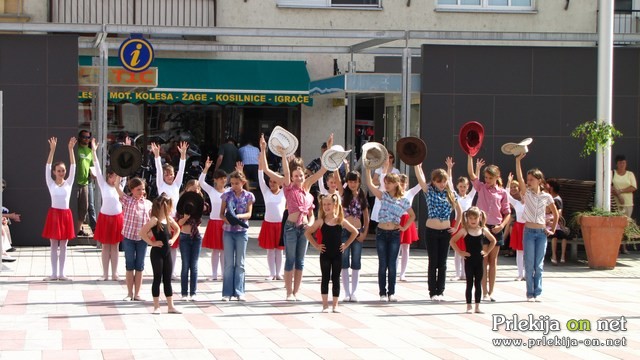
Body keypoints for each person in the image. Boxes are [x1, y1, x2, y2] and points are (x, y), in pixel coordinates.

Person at [262, 133, 328, 301]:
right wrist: (278, 153)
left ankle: (296, 292)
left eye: (301, 175)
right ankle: (289, 292)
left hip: (304, 228)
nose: (299, 178)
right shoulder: (288, 186)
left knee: (301, 261)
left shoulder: (307, 187)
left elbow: (322, 171)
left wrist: (327, 152)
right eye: (296, 175)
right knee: (290, 260)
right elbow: (275, 170)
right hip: (291, 227)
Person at [364, 164, 415, 302]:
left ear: (396, 184)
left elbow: (412, 215)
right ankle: (382, 293)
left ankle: (391, 292)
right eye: (385, 183)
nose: (386, 185)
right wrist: (369, 169)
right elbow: (370, 184)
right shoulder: (383, 196)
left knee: (392, 264)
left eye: (389, 183)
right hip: (381, 232)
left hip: (394, 233)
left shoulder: (403, 200)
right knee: (382, 264)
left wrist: (404, 227)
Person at [515, 153, 558, 302]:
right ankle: (530, 293)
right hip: (528, 231)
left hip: (541, 232)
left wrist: (551, 228)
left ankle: (537, 292)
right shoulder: (527, 193)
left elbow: (555, 213)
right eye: (528, 179)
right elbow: (519, 178)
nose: (529, 182)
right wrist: (518, 161)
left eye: (532, 179)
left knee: (538, 265)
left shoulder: (546, 196)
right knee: (529, 263)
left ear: (539, 181)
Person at [305, 193, 358, 313]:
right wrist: (316, 245)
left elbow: (354, 232)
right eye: (324, 205)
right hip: (325, 254)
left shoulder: (340, 221)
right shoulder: (321, 221)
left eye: (329, 204)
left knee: (335, 278)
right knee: (325, 277)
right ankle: (325, 305)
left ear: (335, 205)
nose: (327, 207)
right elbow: (308, 233)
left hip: (337, 254)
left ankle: (335, 305)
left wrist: (346, 244)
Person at [467, 156, 511, 302]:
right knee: (483, 259)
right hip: (483, 226)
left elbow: (507, 212)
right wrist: (470, 156)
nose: (487, 180)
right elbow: (472, 175)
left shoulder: (502, 192)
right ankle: (483, 292)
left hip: (496, 228)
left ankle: (491, 292)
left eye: (490, 178)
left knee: (493, 260)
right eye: (486, 177)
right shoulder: (481, 188)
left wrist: (502, 226)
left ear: (497, 177)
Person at [415, 163, 462, 301]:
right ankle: (432, 292)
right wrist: (417, 166)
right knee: (433, 261)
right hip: (431, 230)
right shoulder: (429, 191)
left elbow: (459, 212)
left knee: (443, 263)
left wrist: (456, 227)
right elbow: (420, 178)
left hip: (445, 231)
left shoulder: (451, 193)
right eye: (438, 181)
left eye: (444, 181)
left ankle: (441, 291)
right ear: (434, 181)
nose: (442, 184)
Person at [139, 194, 181, 314]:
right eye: (168, 205)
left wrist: (173, 239)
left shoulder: (169, 218)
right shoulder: (154, 220)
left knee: (167, 279)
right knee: (157, 278)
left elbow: (178, 229)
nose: (170, 208)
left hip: (167, 252)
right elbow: (142, 232)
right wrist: (152, 243)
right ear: (163, 205)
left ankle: (170, 306)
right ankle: (156, 306)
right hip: (157, 252)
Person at [450, 206, 497, 314]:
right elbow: (452, 241)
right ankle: (468, 306)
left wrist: (487, 252)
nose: (473, 221)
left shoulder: (483, 230)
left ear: (479, 218)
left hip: (479, 260)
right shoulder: (464, 230)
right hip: (469, 260)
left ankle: (477, 306)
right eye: (470, 218)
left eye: (475, 219)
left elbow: (493, 241)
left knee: (478, 283)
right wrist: (460, 252)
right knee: (469, 283)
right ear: (467, 218)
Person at [152, 141, 188, 280]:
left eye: (171, 174)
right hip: (162, 219)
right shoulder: (160, 184)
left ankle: (171, 271)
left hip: (174, 219)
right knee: (162, 246)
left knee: (173, 247)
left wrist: (183, 155)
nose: (170, 176)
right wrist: (156, 156)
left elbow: (182, 170)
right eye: (167, 174)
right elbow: (158, 170)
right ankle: (161, 271)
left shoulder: (176, 184)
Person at [42, 137, 77, 281]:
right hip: (54, 214)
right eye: (59, 171)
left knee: (64, 244)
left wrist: (70, 149)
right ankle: (53, 273)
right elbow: (47, 166)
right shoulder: (50, 182)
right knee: (53, 244)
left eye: (63, 170)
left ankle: (62, 273)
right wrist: (52, 150)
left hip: (65, 215)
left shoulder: (69, 182)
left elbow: (74, 166)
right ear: (54, 172)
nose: (61, 173)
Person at [90, 139, 124, 281]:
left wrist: (125, 150)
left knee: (115, 247)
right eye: (111, 176)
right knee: (105, 247)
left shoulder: (121, 186)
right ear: (108, 177)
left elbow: (125, 168)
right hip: (105, 217)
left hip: (117, 218)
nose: (113, 178)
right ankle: (105, 273)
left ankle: (114, 273)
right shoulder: (103, 185)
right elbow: (97, 168)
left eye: (115, 176)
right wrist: (93, 151)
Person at [220, 171, 255, 301]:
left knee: (240, 263)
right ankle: (227, 293)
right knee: (229, 263)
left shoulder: (248, 196)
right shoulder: (226, 195)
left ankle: (239, 291)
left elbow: (249, 214)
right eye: (232, 183)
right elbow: (221, 214)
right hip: (228, 231)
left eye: (237, 183)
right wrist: (228, 219)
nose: (234, 186)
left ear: (243, 183)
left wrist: (238, 217)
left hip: (242, 231)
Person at [117, 177, 153, 301]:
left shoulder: (148, 204)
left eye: (143, 189)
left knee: (140, 266)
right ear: (132, 190)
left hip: (142, 239)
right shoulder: (127, 200)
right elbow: (117, 188)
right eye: (138, 189)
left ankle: (137, 294)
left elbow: (152, 220)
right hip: (128, 238)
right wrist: (119, 174)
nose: (141, 192)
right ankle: (129, 293)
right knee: (129, 265)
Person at [337, 171, 369, 302]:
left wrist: (365, 233)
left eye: (355, 181)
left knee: (356, 260)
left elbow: (366, 217)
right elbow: (338, 181)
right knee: (344, 260)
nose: (352, 184)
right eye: (350, 181)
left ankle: (354, 291)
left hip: (358, 230)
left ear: (359, 182)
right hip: (345, 231)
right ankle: (346, 292)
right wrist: (334, 166)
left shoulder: (362, 196)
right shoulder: (344, 194)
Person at [258, 139, 286, 280]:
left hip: (280, 225)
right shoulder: (266, 191)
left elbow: (287, 178)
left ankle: (278, 273)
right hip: (269, 224)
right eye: (271, 181)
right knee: (270, 250)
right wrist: (263, 149)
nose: (272, 183)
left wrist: (284, 155)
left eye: (275, 181)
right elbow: (261, 174)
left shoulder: (283, 192)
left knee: (279, 251)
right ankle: (271, 272)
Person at [450, 157, 479, 281]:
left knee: (467, 249)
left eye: (465, 186)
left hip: (468, 225)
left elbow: (476, 185)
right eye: (461, 186)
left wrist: (477, 168)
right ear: (458, 186)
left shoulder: (470, 196)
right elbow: (449, 184)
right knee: (457, 250)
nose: (463, 188)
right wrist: (449, 168)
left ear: (467, 187)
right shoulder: (455, 195)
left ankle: (465, 272)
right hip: (457, 223)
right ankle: (458, 273)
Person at [176, 180, 205, 301]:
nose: (194, 192)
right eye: (192, 190)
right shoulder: (182, 203)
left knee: (194, 266)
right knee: (185, 265)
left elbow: (201, 215)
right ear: (187, 189)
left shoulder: (200, 204)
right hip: (184, 236)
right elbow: (178, 223)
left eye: (196, 190)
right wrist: (185, 216)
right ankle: (184, 293)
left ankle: (193, 292)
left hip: (196, 237)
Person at [199, 160, 228, 281]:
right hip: (214, 222)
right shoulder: (211, 191)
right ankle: (214, 274)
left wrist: (240, 172)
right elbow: (201, 182)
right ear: (215, 180)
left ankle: (224, 273)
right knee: (215, 250)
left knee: (224, 250)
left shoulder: (229, 191)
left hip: (225, 222)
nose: (223, 180)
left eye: (224, 178)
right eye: (220, 178)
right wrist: (205, 168)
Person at [397, 173, 421, 282]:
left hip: (407, 219)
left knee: (406, 248)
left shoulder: (410, 193)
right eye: (400, 183)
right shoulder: (394, 193)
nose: (402, 185)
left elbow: (421, 184)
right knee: (396, 248)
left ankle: (403, 273)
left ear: (407, 184)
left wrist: (419, 168)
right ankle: (394, 270)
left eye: (404, 183)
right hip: (397, 220)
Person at [612, 154, 636, 254]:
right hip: (615, 204)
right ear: (616, 164)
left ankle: (624, 247)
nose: (622, 164)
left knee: (625, 226)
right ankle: (615, 247)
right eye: (620, 163)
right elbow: (610, 186)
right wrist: (618, 195)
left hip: (628, 204)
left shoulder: (630, 174)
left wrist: (620, 191)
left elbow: (633, 187)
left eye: (624, 163)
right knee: (615, 226)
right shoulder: (612, 173)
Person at [75, 129, 96, 237]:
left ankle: (79, 229)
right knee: (74, 207)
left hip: (85, 183)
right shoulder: (76, 149)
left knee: (85, 207)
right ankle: (75, 229)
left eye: (88, 137)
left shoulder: (89, 151)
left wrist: (93, 174)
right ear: (79, 137)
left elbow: (92, 166)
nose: (86, 139)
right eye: (83, 136)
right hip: (74, 182)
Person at [506, 173, 526, 281]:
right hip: (518, 227)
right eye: (522, 194)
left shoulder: (530, 204)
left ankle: (527, 273)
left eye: (525, 194)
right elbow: (506, 194)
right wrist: (509, 182)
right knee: (519, 251)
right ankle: (520, 274)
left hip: (527, 228)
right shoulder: (517, 203)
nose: (524, 195)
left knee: (528, 251)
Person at [546, 178, 569, 265]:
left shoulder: (556, 200)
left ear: (551, 188)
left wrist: (551, 220)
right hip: (550, 223)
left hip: (555, 223)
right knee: (555, 236)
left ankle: (562, 256)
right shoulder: (549, 197)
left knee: (562, 235)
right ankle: (555, 255)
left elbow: (559, 214)